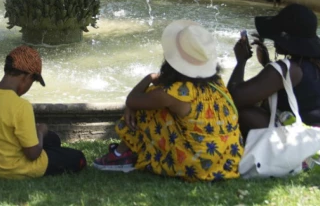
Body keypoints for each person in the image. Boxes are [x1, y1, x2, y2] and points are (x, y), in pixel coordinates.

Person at [94, 20, 243, 181]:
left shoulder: (175, 93)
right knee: (154, 100)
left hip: (197, 167)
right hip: (230, 161)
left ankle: (121, 154)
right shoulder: (217, 83)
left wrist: (149, 78)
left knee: (149, 101)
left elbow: (132, 100)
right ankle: (126, 151)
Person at [227, 4, 320, 171]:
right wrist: (267, 64)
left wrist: (241, 61)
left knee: (243, 112)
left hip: (315, 152)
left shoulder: (288, 69)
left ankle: (237, 153)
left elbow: (232, 99)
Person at [0, 45, 86, 179]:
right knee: (79, 158)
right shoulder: (21, 106)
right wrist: (40, 132)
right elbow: (33, 154)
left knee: (53, 139)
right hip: (14, 169)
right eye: (33, 81)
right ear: (27, 77)